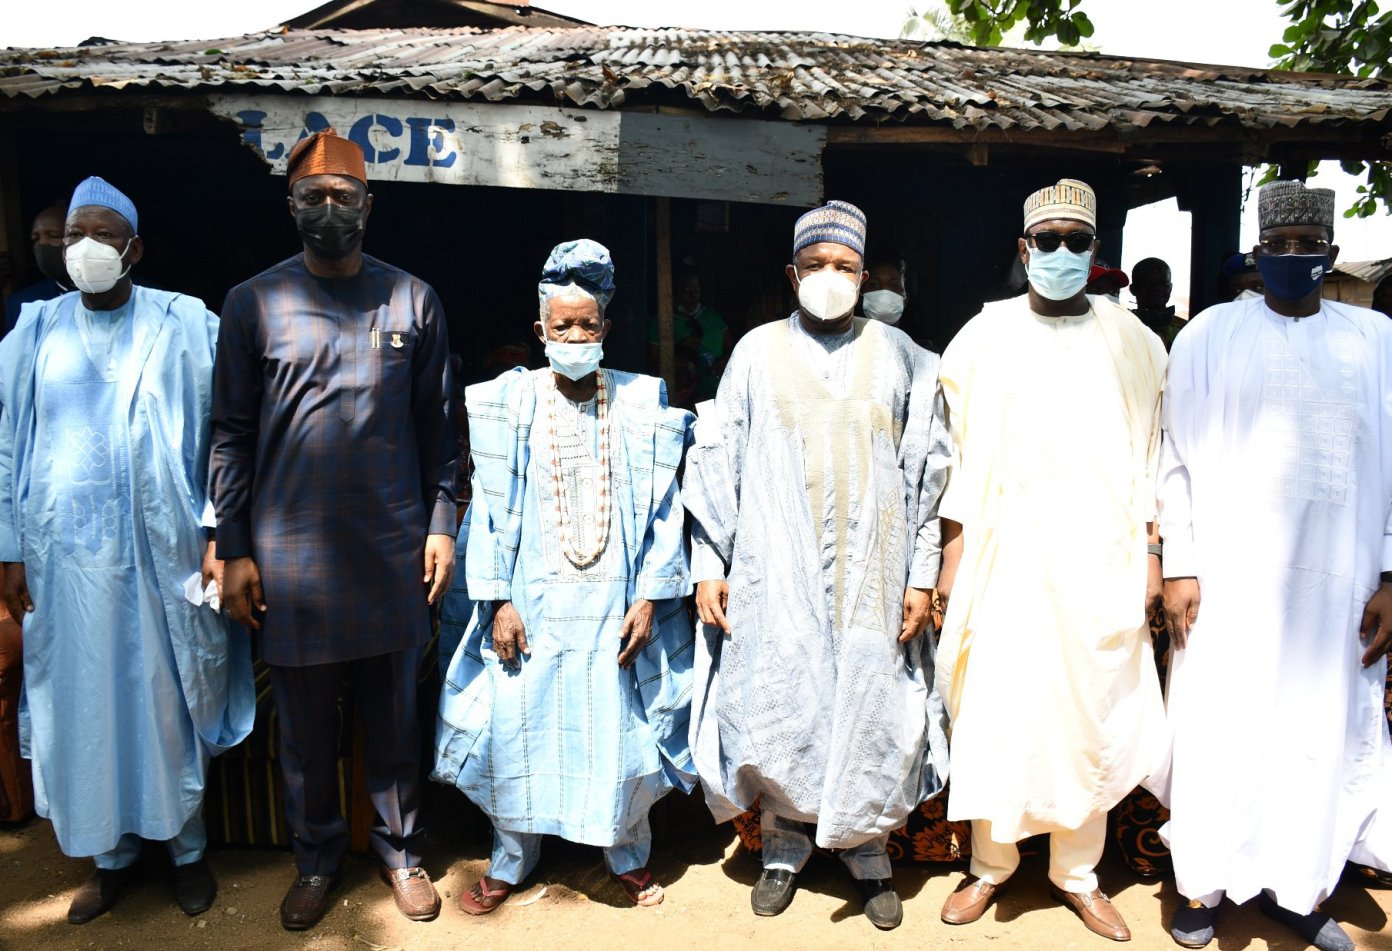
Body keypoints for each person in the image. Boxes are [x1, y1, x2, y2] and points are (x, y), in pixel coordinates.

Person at [209, 129, 458, 931]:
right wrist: (237, 547)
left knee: (394, 720)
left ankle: (401, 854)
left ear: (368, 205)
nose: (328, 210)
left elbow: (439, 428)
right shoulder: (253, 302)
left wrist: (443, 523)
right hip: (291, 557)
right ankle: (315, 860)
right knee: (308, 732)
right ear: (290, 206)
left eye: (343, 197)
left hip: (390, 549)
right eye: (313, 198)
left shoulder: (413, 300)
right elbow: (229, 434)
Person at [684, 200, 950, 931]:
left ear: (865, 276)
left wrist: (922, 575)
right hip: (777, 571)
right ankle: (784, 847)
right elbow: (718, 460)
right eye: (816, 265)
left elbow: (927, 469)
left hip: (876, 571)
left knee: (873, 705)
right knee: (783, 699)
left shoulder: (900, 355)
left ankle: (868, 851)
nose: (830, 277)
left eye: (844, 266)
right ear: (791, 272)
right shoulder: (756, 350)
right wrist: (710, 562)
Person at [0, 177, 253, 924]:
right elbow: (9, 443)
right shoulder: (32, 332)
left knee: (162, 698)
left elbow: (220, 436)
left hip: (163, 555)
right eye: (73, 233)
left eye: (102, 235)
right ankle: (107, 859)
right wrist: (9, 548)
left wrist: (217, 534)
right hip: (65, 562)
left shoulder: (182, 323)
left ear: (133, 248)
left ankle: (185, 850)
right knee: (81, 702)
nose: (83, 248)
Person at [1155, 179, 1392, 951]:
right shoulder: (1209, 336)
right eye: (1279, 247)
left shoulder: (1376, 340)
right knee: (1218, 723)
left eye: (1307, 248)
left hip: (1337, 585)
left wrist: (1389, 573)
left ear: (1328, 254)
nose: (1293, 259)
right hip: (1227, 580)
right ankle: (1203, 886)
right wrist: (1180, 563)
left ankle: (1300, 887)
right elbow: (1176, 456)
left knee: (1315, 731)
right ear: (1257, 254)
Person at [935, 179, 1168, 943]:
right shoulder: (982, 337)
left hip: (1099, 561)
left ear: (1096, 250)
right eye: (1048, 240)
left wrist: (1153, 556)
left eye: (1077, 240)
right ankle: (990, 867)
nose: (1061, 252)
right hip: (1005, 560)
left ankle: (1078, 874)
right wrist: (952, 560)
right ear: (1023, 247)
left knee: (1088, 712)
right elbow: (957, 461)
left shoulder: (1135, 341)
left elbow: (1153, 461)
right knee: (997, 706)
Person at [434, 239, 695, 914]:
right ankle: (510, 857)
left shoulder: (640, 402)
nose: (575, 335)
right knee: (520, 723)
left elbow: (667, 509)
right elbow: (486, 507)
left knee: (616, 727)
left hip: (613, 603)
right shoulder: (509, 402)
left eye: (587, 324)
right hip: (533, 604)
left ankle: (625, 854)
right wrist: (495, 600)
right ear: (540, 330)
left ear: (605, 328)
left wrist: (648, 596)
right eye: (561, 326)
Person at [646, 269, 730, 404]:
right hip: (683, 396)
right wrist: (679, 348)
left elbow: (731, 345)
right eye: (686, 290)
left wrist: (725, 360)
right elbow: (652, 362)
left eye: (696, 289)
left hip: (719, 391)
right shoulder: (661, 322)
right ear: (675, 291)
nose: (692, 294)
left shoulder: (711, 315)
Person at [3, 202, 71, 338]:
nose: (42, 244)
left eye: (54, 235)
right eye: (35, 239)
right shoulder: (22, 304)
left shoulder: (118, 295)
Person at [1131, 257, 1186, 349]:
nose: (1157, 289)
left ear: (1170, 288)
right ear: (1133, 289)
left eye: (1163, 284)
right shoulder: (1121, 326)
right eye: (1148, 284)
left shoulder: (1186, 332)